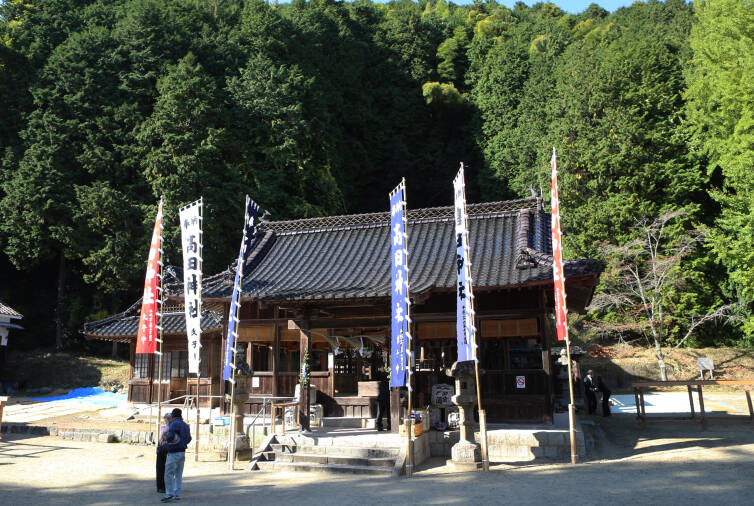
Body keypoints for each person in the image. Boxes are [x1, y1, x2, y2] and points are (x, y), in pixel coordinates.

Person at [162, 408, 192, 503]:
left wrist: (165, 438)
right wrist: (182, 442)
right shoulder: (185, 425)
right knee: (178, 474)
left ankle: (169, 494)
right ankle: (177, 494)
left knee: (169, 473)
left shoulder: (174, 424)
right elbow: (189, 439)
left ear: (173, 415)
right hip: (182, 451)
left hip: (173, 452)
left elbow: (170, 437)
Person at [156, 413, 172, 494]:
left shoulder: (172, 427)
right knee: (160, 468)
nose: (167, 420)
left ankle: (167, 486)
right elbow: (162, 438)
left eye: (169, 418)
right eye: (166, 418)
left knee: (169, 469)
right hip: (162, 448)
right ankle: (160, 487)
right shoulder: (163, 427)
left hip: (169, 448)